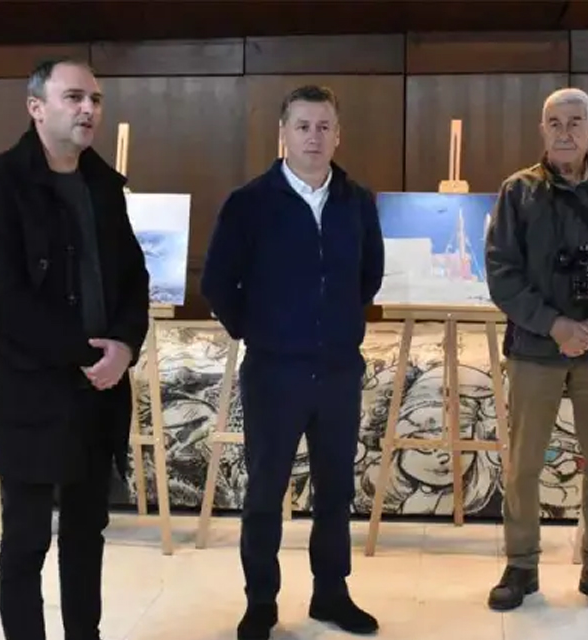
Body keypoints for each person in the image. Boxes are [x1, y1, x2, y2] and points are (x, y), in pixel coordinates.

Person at [0, 58, 150, 640]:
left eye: (95, 99)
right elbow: (4, 299)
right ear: (36, 107)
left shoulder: (104, 185)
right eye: (73, 97)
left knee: (86, 534)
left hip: (100, 391)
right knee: (25, 540)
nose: (88, 109)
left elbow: (134, 278)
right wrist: (88, 354)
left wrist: (125, 346)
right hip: (33, 389)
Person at [201, 85, 384, 640]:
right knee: (265, 492)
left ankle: (331, 594)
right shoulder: (249, 203)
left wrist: (335, 328)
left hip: (338, 372)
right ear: (283, 133)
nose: (313, 137)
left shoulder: (357, 201)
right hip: (273, 373)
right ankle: (261, 601)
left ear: (338, 135)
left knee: (336, 492)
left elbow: (369, 276)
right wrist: (259, 331)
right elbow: (217, 282)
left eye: (324, 126)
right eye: (302, 126)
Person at [483, 87, 588, 617]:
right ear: (542, 129)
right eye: (554, 122)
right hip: (535, 348)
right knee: (524, 464)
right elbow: (502, 273)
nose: (564, 132)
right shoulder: (518, 192)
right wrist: (555, 325)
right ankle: (521, 564)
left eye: (575, 122)